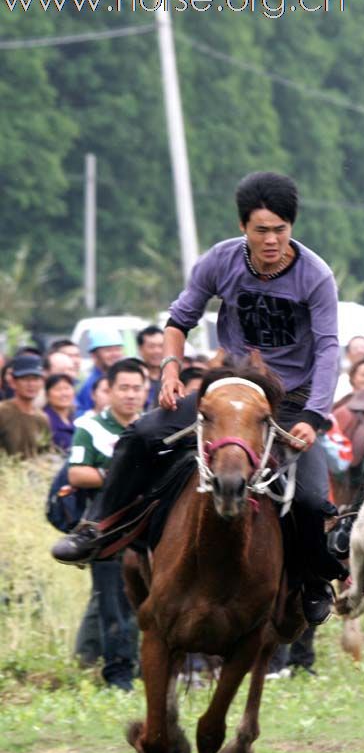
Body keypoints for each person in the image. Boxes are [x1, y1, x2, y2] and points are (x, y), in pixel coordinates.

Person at [51, 171, 344, 625]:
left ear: (292, 227)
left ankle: (311, 580)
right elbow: (179, 319)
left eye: (280, 230)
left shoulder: (315, 275)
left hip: (288, 402)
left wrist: (314, 415)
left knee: (307, 500)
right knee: (143, 433)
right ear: (243, 226)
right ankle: (99, 528)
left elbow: (327, 347)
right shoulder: (219, 261)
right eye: (261, 230)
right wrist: (170, 370)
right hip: (227, 390)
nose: (271, 240)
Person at [68, 358, 148, 691]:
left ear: (146, 391)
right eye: (124, 388)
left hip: (147, 532)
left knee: (148, 604)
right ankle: (118, 676)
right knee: (113, 606)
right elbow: (76, 473)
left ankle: (148, 669)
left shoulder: (154, 426)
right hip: (107, 532)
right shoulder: (90, 428)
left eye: (137, 388)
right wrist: (118, 476)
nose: (131, 395)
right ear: (109, 391)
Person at [0, 354, 51, 457]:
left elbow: (46, 453)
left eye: (36, 379)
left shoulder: (42, 418)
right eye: (25, 379)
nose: (31, 384)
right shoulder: (3, 412)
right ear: (13, 382)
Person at [75, 329, 125, 413]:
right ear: (94, 355)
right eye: (108, 350)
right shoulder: (86, 384)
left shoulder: (124, 378)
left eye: (117, 349)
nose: (114, 354)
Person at [43, 373, 76, 452]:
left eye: (67, 388)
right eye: (58, 389)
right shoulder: (45, 418)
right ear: (47, 395)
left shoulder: (73, 417)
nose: (64, 393)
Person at [136, 325, 165, 409]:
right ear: (140, 349)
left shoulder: (174, 376)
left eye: (161, 346)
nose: (157, 351)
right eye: (151, 346)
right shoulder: (134, 376)